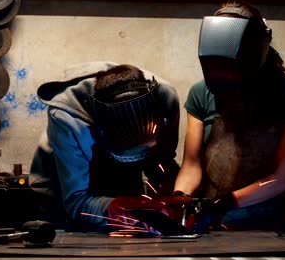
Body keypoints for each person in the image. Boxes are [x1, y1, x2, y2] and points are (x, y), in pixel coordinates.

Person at [173, 0, 285, 232]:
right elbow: (192, 164)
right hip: (214, 220)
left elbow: (284, 176)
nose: (233, 99)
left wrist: (230, 201)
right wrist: (180, 198)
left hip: (269, 222)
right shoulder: (200, 93)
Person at [29, 62, 182, 232]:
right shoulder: (69, 119)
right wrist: (123, 210)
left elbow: (163, 159)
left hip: (121, 178)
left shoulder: (165, 99)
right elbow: (77, 202)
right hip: (64, 189)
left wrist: (173, 196)